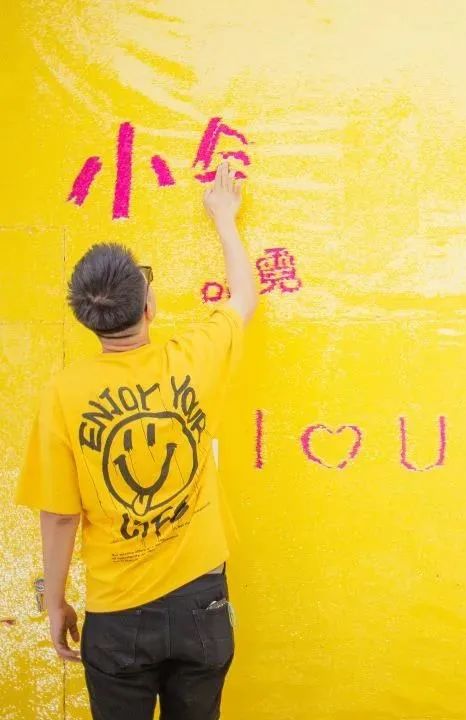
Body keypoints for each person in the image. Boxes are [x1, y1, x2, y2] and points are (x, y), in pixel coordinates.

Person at [15, 162, 255, 720]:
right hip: (202, 602)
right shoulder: (193, 356)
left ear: (87, 319)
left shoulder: (63, 393)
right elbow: (243, 298)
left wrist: (55, 601)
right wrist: (225, 218)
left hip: (118, 616)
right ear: (149, 306)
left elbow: (60, 515)